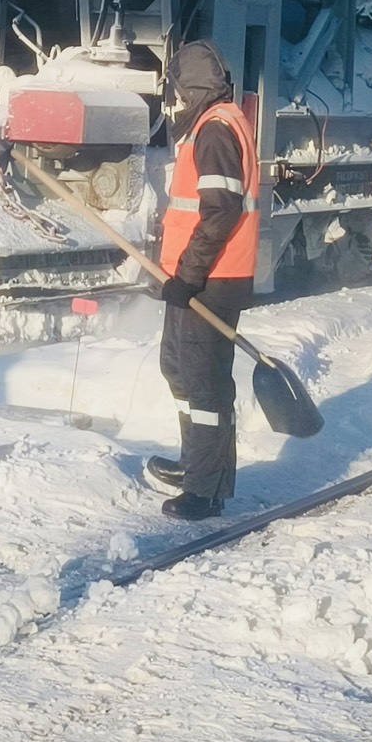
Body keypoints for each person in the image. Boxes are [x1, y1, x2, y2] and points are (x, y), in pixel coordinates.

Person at [145, 41, 259, 521]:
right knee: (178, 370)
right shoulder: (212, 123)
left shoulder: (215, 130)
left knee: (205, 386)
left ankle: (206, 492)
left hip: (212, 279)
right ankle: (196, 464)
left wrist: (189, 275)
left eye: (176, 91)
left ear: (192, 89)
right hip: (193, 277)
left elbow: (220, 211)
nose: (173, 101)